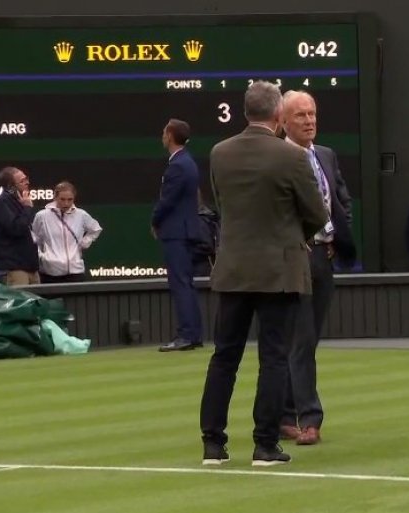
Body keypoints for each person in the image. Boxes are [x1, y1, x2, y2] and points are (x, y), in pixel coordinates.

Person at [199, 81, 328, 467]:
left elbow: (222, 205)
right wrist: (298, 236)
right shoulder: (292, 157)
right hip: (279, 271)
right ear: (278, 115)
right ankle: (265, 445)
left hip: (234, 269)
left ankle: (213, 444)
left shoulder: (220, 153)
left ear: (245, 112)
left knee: (224, 357)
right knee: (273, 358)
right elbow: (317, 213)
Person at [278, 90, 356, 446]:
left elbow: (341, 200)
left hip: (324, 257)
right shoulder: (277, 157)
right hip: (295, 258)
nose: (309, 121)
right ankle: (309, 419)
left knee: (306, 341)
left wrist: (337, 235)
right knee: (301, 339)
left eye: (312, 114)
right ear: (283, 121)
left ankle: (284, 414)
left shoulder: (325, 154)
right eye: (300, 115)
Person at [153, 119, 204, 352]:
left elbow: (167, 200)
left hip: (176, 232)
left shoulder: (178, 165)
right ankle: (193, 334)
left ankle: (186, 335)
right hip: (185, 230)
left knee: (180, 283)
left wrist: (155, 220)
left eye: (165, 132)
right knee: (186, 283)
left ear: (171, 136)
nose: (162, 136)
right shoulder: (187, 161)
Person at [31, 181, 103, 283]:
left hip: (76, 271)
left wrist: (85, 242)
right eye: (62, 199)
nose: (66, 203)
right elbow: (34, 238)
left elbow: (96, 229)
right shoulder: (42, 216)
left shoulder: (81, 215)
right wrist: (42, 256)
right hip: (50, 272)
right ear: (55, 197)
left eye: (70, 199)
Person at [0, 166, 39, 286]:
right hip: (15, 268)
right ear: (11, 186)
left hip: (31, 266)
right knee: (20, 298)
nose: (27, 182)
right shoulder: (2, 202)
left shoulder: (22, 201)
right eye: (22, 181)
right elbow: (15, 228)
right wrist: (27, 208)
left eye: (26, 179)